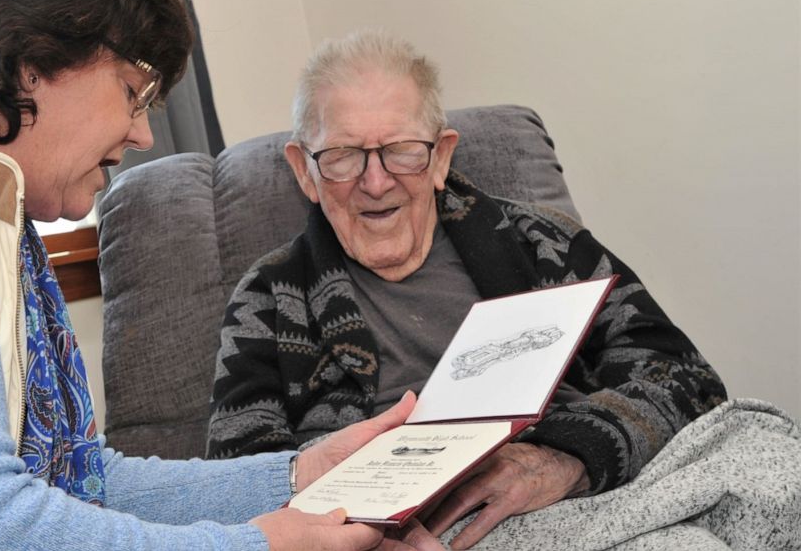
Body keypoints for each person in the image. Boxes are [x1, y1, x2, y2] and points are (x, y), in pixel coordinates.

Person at [0, 0, 429, 550]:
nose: (143, 132)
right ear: (34, 60)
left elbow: (83, 484)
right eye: (133, 92)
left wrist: (298, 475)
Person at [207, 30, 728, 549]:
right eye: (343, 156)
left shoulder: (540, 242)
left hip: (584, 483)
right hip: (429, 530)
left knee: (762, 441)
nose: (375, 181)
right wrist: (362, 536)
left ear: (439, 158)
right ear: (305, 172)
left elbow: (686, 377)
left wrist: (566, 456)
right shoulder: (271, 298)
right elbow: (238, 476)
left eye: (401, 150)